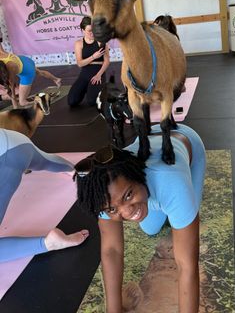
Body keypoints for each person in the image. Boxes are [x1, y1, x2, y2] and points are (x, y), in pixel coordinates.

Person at [74, 123, 206, 313]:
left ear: (138, 176)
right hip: (150, 146)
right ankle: (158, 205)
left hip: (186, 143)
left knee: (186, 216)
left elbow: (187, 265)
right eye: (112, 209)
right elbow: (111, 250)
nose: (127, 213)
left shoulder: (172, 184)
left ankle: (169, 208)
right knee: (150, 228)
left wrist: (182, 210)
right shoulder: (102, 194)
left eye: (128, 195)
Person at [0, 128, 89, 263]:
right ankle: (74, 170)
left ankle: (48, 243)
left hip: (6, 162)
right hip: (15, 142)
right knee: (45, 161)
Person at [68, 16, 110, 107]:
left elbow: (107, 61)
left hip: (98, 72)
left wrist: (99, 75)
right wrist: (93, 56)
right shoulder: (79, 43)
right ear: (83, 30)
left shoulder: (101, 41)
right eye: (89, 31)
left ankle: (101, 88)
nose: (92, 33)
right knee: (72, 101)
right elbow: (80, 63)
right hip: (85, 73)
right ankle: (88, 88)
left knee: (92, 101)